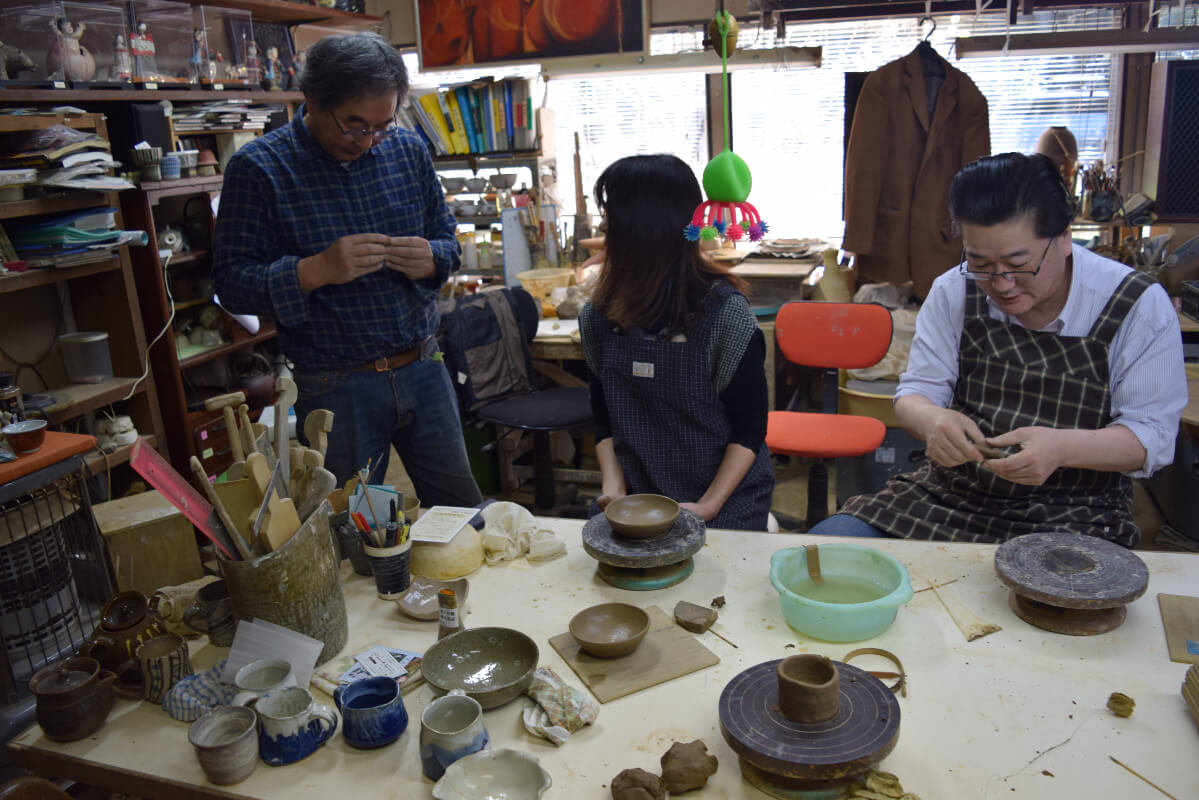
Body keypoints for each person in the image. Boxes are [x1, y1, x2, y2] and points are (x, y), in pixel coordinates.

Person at [811, 152, 1186, 546]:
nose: (1001, 283)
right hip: (951, 495)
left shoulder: (1136, 305)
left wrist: (1060, 449)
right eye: (980, 261)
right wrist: (934, 422)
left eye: (1017, 263)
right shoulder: (955, 289)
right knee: (826, 549)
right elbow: (916, 393)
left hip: (1076, 508)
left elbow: (1152, 437)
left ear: (1063, 238)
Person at [212, 32, 482, 508]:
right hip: (335, 386)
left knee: (462, 513)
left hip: (424, 366)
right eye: (354, 126)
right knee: (354, 529)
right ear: (312, 100)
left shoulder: (406, 150)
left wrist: (434, 257)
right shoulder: (259, 168)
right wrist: (313, 271)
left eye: (382, 125)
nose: (368, 141)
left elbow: (447, 240)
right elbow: (231, 285)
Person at [578, 154, 775, 531]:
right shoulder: (599, 317)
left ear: (641, 232)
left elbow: (749, 432)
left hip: (724, 499)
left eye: (609, 223)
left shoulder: (725, 317)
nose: (604, 232)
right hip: (637, 496)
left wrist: (709, 505)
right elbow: (603, 417)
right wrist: (613, 485)